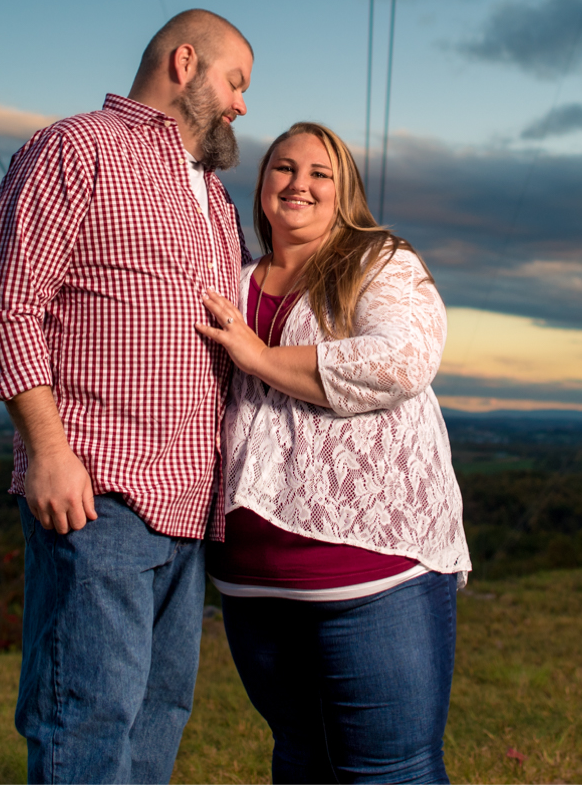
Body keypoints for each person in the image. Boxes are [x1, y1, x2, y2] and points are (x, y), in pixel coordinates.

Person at [0, 8, 254, 784]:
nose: (240, 104)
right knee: (87, 716)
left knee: (160, 714)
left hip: (191, 507)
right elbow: (8, 306)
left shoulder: (216, 196)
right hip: (100, 495)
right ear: (185, 63)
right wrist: (50, 453)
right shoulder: (76, 148)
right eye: (235, 82)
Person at [192, 121, 464, 784]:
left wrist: (257, 357)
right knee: (301, 761)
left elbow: (401, 360)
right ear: (260, 185)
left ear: (346, 191)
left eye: (321, 173)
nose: (300, 184)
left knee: (390, 771)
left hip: (372, 573)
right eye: (283, 168)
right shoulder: (228, 275)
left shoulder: (381, 261)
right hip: (250, 579)